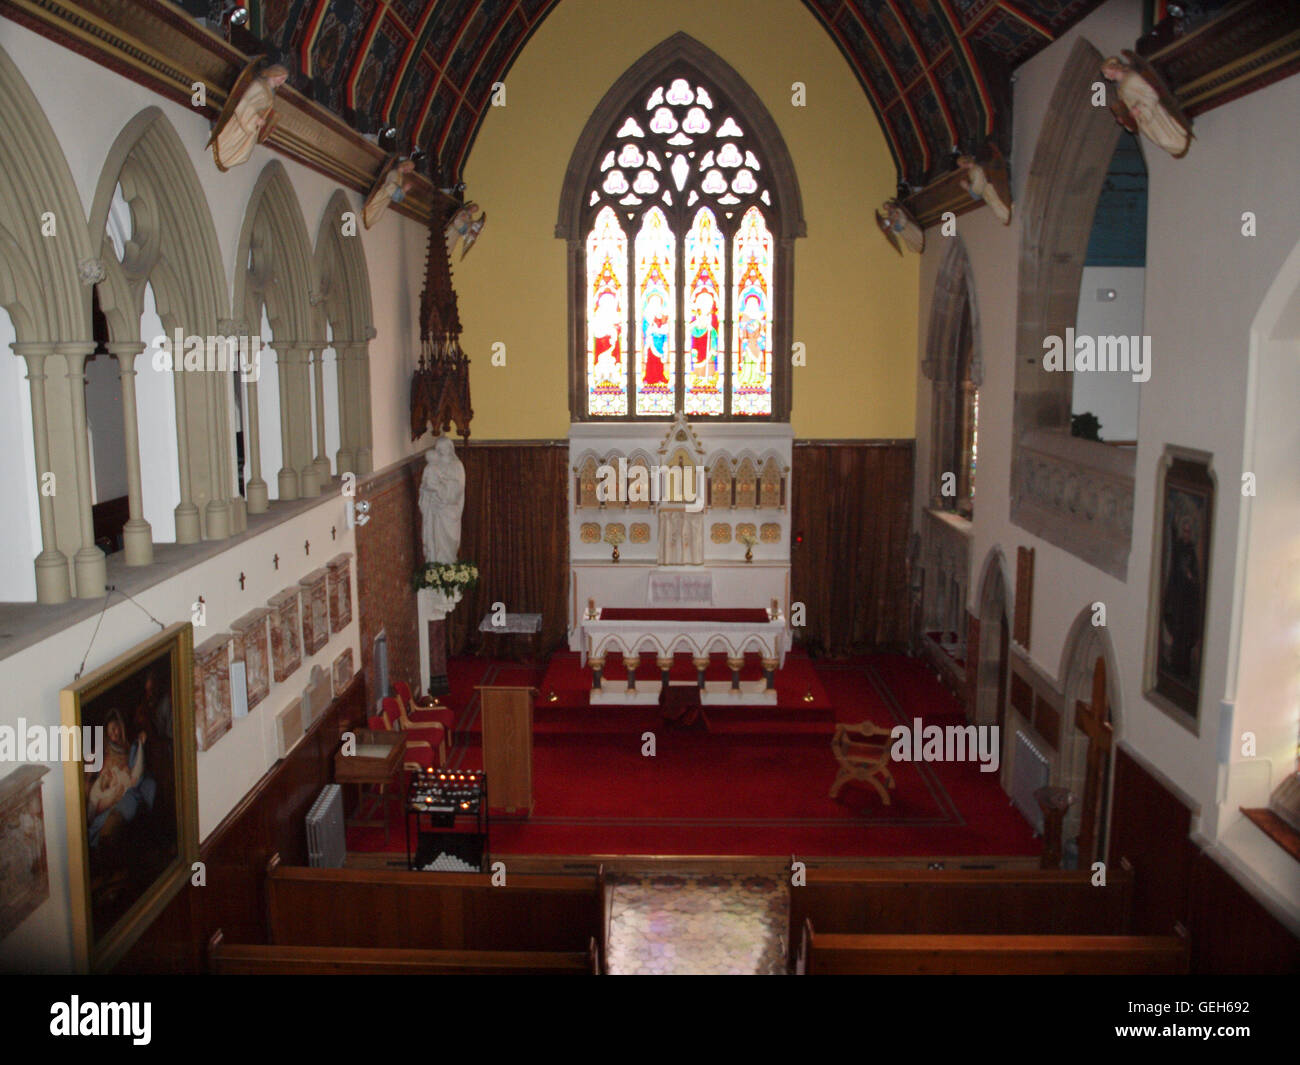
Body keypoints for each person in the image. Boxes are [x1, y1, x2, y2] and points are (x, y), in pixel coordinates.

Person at [86, 710, 155, 849]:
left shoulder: (129, 748)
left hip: (124, 792)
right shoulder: (102, 750)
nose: (113, 734)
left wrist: (141, 744)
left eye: (115, 728)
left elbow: (135, 772)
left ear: (121, 727)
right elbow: (90, 774)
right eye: (110, 731)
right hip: (107, 795)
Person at [208, 62, 288, 172]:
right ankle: (224, 150)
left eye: (284, 80)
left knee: (243, 153)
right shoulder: (258, 85)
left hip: (252, 126)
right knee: (232, 144)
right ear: (274, 73)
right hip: (243, 121)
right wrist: (254, 118)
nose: (282, 82)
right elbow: (243, 103)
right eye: (282, 77)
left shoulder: (271, 93)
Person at [419, 435, 466, 565]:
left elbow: (458, 488)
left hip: (450, 510)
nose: (441, 451)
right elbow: (425, 485)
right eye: (438, 448)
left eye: (444, 448)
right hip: (436, 510)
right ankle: (437, 566)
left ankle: (448, 566)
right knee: (436, 540)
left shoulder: (457, 466)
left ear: (450, 448)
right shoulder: (433, 465)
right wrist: (429, 490)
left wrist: (441, 488)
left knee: (450, 544)